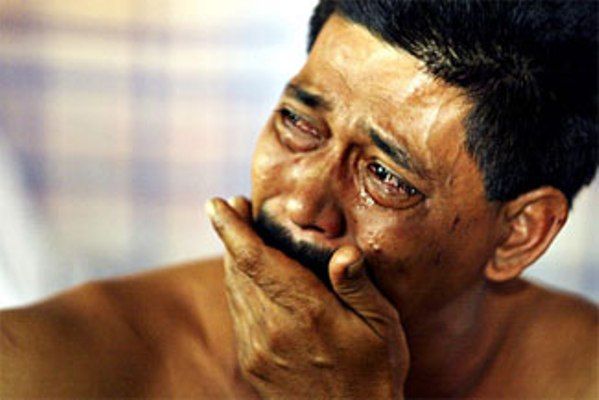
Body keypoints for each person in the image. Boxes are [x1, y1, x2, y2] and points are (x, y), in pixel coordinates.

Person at [1, 0, 597, 398]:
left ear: (520, 232)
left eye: (385, 177)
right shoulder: (43, 367)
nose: (302, 205)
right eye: (299, 124)